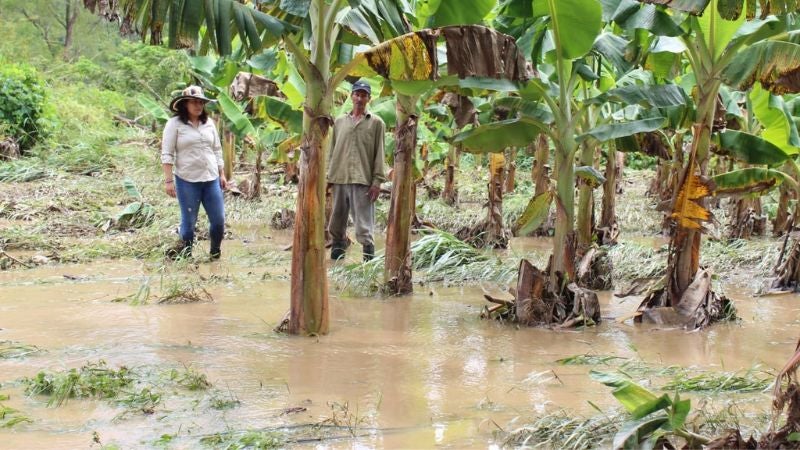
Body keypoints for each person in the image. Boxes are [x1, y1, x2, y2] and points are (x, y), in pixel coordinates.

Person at [161, 85, 227, 260]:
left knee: (219, 220)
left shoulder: (209, 123)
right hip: (187, 180)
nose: (198, 106)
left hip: (211, 178)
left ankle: (215, 254)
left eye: (201, 102)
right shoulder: (174, 124)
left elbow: (217, 149)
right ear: (184, 104)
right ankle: (187, 257)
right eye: (194, 102)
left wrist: (222, 173)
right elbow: (167, 154)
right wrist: (168, 181)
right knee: (189, 224)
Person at [327, 79, 386, 261]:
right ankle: (337, 260)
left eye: (364, 95)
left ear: (369, 98)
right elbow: (332, 151)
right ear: (351, 96)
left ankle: (368, 263)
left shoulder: (376, 123)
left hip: (363, 180)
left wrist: (377, 182)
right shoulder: (339, 122)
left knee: (363, 226)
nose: (360, 98)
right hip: (340, 178)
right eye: (357, 94)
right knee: (336, 223)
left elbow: (380, 153)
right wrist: (328, 178)